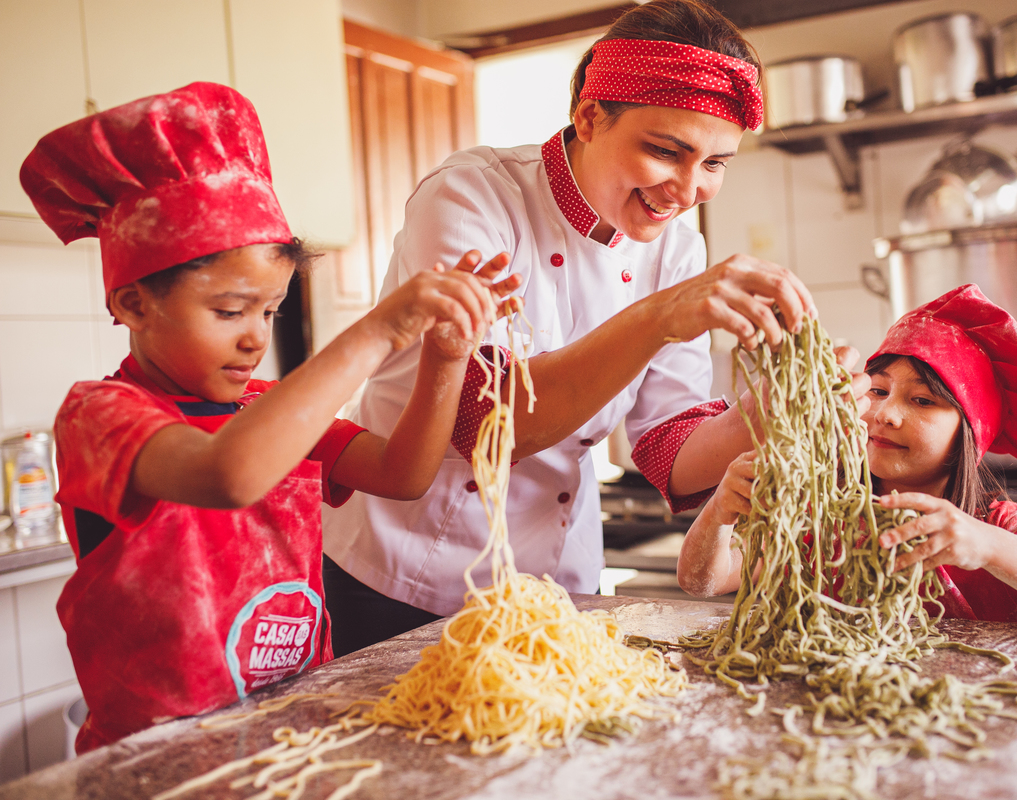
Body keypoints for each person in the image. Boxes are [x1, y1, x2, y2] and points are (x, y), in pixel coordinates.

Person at [321, 0, 870, 655]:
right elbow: (484, 424)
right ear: (588, 117)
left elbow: (669, 446)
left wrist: (771, 410)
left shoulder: (677, 251)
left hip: (556, 585)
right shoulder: (472, 196)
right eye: (667, 151)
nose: (688, 189)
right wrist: (660, 317)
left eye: (716, 163)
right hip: (403, 575)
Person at [19, 82, 517, 753]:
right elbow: (228, 474)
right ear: (134, 304)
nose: (255, 336)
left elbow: (404, 475)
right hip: (158, 762)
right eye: (229, 311)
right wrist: (375, 331)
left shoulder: (267, 406)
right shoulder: (101, 414)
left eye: (269, 310)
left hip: (290, 741)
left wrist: (444, 355)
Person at [677, 284, 1017, 629]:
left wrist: (985, 546)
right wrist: (719, 512)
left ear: (968, 436)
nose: (885, 414)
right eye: (878, 390)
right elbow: (705, 581)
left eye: (923, 401)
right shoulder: (827, 520)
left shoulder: (993, 525)